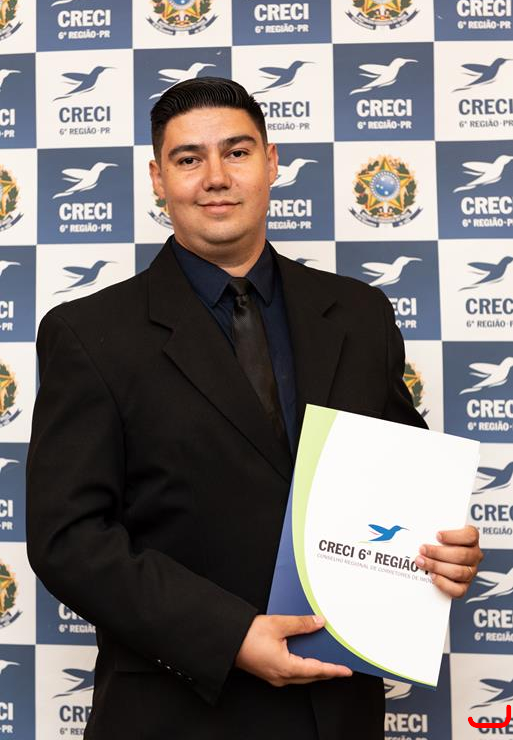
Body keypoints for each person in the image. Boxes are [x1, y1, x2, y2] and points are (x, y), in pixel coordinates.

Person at [26, 77, 483, 740]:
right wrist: (230, 636)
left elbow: (401, 484)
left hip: (338, 710)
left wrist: (444, 548)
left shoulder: (359, 315)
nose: (216, 177)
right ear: (158, 179)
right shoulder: (89, 333)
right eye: (189, 159)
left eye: (236, 153)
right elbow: (68, 541)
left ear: (271, 163)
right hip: (176, 714)